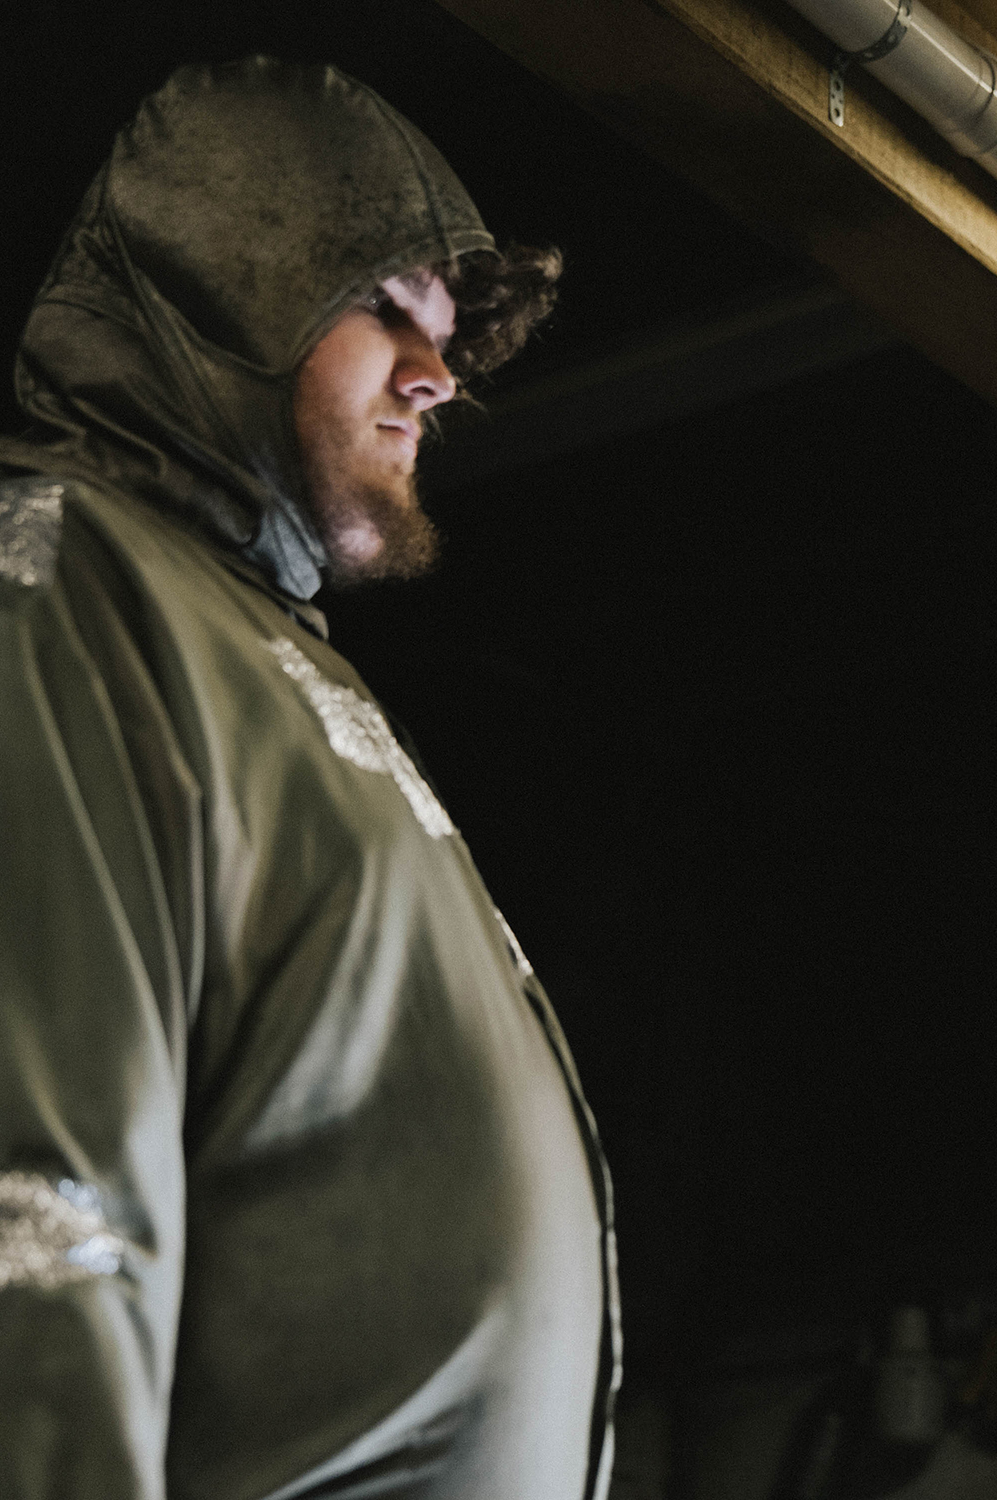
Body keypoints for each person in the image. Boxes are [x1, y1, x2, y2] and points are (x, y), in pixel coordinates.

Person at [0, 59, 617, 1497]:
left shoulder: (262, 652)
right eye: (384, 306)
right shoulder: (60, 584)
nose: (438, 373)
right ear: (215, 287)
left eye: (449, 333)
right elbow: (37, 1192)